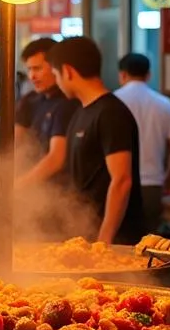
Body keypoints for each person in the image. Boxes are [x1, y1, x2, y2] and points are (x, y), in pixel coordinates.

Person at [48, 36, 145, 245]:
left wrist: (104, 240)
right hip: (85, 234)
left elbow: (122, 180)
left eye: (55, 74)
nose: (57, 81)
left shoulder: (111, 113)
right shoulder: (81, 112)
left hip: (113, 241)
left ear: (67, 71)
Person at [115, 52, 170, 230]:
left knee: (118, 247)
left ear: (122, 75)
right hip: (153, 186)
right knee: (150, 246)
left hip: (117, 185)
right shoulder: (164, 103)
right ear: (148, 75)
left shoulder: (112, 102)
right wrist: (167, 181)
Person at [14, 38, 81, 187]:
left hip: (60, 193)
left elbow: (56, 159)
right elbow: (14, 145)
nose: (32, 76)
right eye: (29, 69)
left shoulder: (68, 103)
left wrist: (16, 186)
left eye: (37, 68)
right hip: (33, 191)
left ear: (56, 67)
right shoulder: (30, 100)